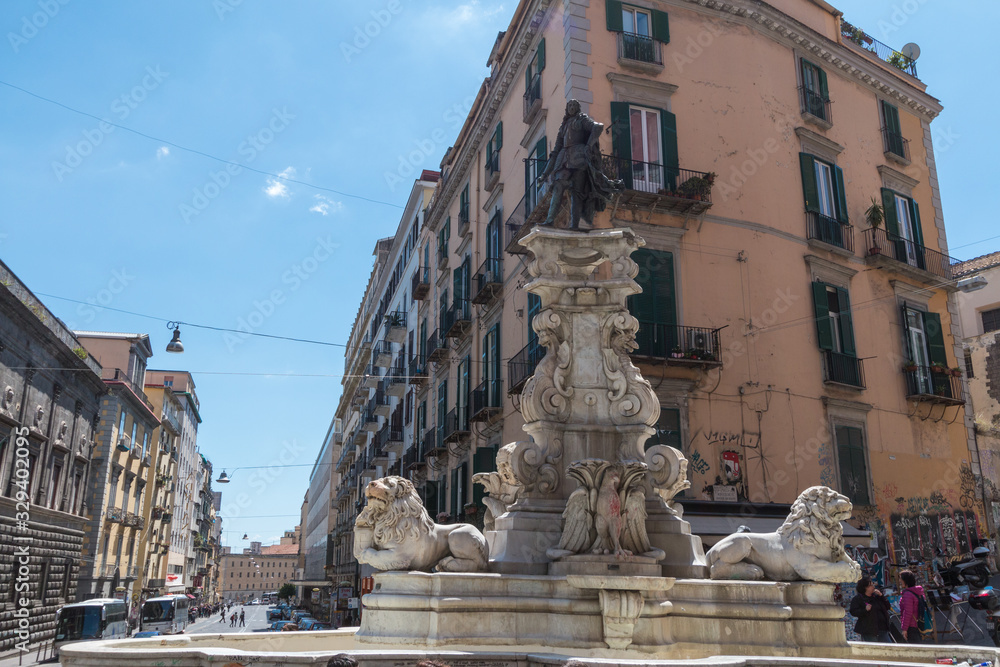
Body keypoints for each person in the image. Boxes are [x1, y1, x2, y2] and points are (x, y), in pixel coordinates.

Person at [538, 99, 621, 231]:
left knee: (577, 192)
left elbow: (598, 126)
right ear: (567, 108)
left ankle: (574, 226)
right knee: (558, 186)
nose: (571, 107)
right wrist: (544, 174)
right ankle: (549, 220)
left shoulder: (582, 119)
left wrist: (588, 145)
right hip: (564, 158)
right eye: (569, 105)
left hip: (579, 158)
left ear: (578, 108)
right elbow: (555, 152)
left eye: (574, 105)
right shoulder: (564, 127)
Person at [849, 576, 891, 642]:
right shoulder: (858, 599)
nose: (873, 587)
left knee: (889, 648)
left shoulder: (876, 597)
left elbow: (887, 607)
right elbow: (853, 611)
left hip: (882, 629)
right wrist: (865, 610)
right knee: (874, 649)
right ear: (865, 588)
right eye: (871, 585)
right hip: (869, 630)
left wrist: (881, 596)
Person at [899, 569, 925, 643]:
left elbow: (908, 613)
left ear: (905, 580)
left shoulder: (907, 594)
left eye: (901, 579)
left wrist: (904, 629)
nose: (900, 581)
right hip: (918, 623)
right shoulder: (918, 592)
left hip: (911, 626)